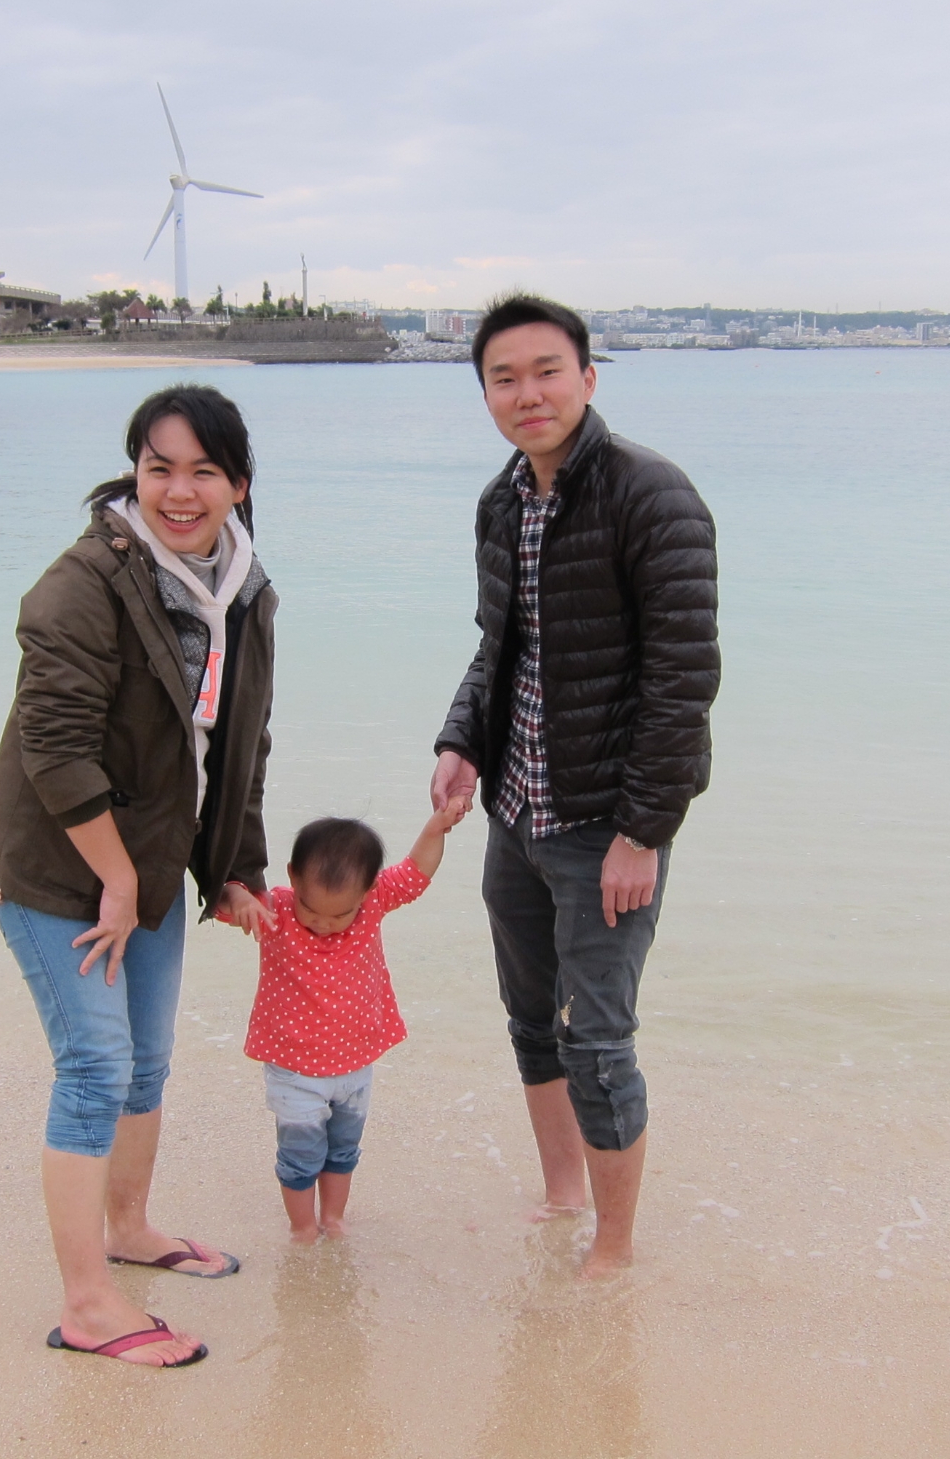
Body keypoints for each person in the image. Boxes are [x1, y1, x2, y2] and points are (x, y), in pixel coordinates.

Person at [0, 383, 277, 1368]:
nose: (179, 492)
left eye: (203, 471)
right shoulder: (83, 585)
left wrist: (232, 869)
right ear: (133, 474)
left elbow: (240, 742)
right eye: (159, 469)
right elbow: (54, 747)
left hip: (142, 863)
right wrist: (112, 877)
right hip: (59, 866)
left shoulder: (240, 590)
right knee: (97, 1070)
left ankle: (131, 1229)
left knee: (147, 1062)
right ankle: (87, 1307)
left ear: (238, 484)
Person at [429, 294, 719, 1278]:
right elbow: (497, 649)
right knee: (530, 1019)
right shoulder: (501, 501)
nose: (528, 393)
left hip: (603, 824)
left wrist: (642, 832)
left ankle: (614, 1244)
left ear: (586, 378)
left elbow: (683, 681)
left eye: (546, 371)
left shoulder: (652, 495)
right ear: (485, 394)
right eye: (503, 378)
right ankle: (562, 1193)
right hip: (515, 813)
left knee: (596, 1040)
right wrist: (462, 741)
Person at [220, 803, 468, 1242]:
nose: (322, 924)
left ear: (367, 892)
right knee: (299, 1156)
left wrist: (436, 826)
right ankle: (302, 1227)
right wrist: (236, 895)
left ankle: (333, 1218)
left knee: (343, 1151)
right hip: (294, 1070)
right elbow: (220, 898)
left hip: (355, 1067)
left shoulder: (373, 904)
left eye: (339, 916)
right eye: (311, 910)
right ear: (293, 877)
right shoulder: (275, 910)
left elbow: (416, 872)